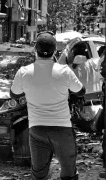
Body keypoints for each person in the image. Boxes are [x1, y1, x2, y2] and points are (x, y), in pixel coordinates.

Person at [10, 31, 85, 180]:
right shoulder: (64, 71)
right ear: (55, 51)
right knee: (69, 172)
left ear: (35, 50)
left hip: (37, 129)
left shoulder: (24, 72)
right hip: (62, 129)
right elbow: (81, 91)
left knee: (39, 174)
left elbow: (14, 94)